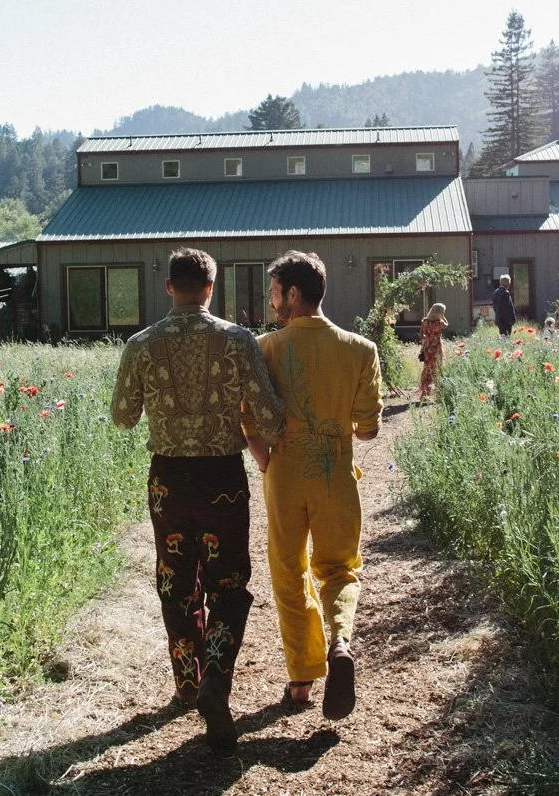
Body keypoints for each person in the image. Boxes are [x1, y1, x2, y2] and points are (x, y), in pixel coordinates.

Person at [111, 247, 285, 750]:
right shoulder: (237, 341)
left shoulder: (141, 345)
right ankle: (216, 678)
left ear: (169, 287)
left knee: (175, 578)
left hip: (166, 481)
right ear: (211, 287)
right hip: (222, 480)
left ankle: (187, 682)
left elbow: (123, 416)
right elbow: (271, 419)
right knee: (228, 584)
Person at [243, 251, 381, 721]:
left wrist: (264, 459)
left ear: (294, 294)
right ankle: (340, 640)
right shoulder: (361, 349)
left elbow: (249, 417)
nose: (271, 300)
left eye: (275, 292)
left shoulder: (265, 348)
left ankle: (301, 681)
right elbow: (368, 429)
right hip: (336, 476)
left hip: (284, 478)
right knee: (340, 569)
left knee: (288, 572)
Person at [417, 302, 447, 401]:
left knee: (427, 370)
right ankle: (435, 393)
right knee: (436, 370)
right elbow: (447, 325)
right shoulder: (440, 323)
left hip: (427, 348)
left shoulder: (425, 321)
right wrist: (443, 317)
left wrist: (426, 341)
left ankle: (424, 393)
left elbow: (421, 334)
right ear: (440, 313)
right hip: (436, 348)